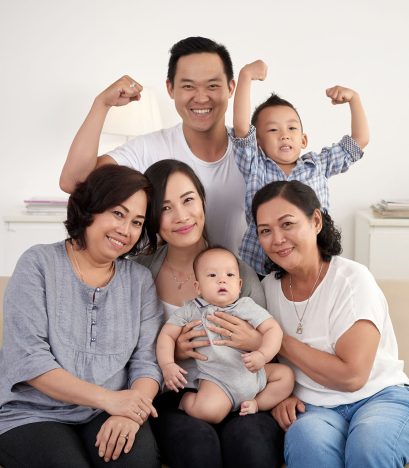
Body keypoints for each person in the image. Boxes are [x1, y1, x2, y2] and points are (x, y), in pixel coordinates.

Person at [0, 165, 163, 468]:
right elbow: (29, 360)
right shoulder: (38, 263)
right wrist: (109, 399)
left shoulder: (139, 280)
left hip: (110, 410)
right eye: (118, 213)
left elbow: (147, 362)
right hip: (32, 411)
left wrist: (131, 410)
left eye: (136, 222)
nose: (126, 230)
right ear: (90, 208)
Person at [134, 159, 285, 468]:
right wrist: (171, 353)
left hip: (243, 387)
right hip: (178, 394)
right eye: (165, 208)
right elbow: (128, 350)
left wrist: (253, 340)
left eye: (188, 200)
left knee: (251, 450)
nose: (181, 216)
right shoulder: (140, 272)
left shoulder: (236, 271)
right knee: (197, 450)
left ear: (202, 202)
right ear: (152, 218)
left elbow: (270, 344)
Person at [252, 179, 409, 468]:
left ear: (315, 221)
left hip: (378, 396)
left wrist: (279, 339)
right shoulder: (267, 290)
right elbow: (265, 363)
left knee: (369, 447)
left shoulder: (352, 280)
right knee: (306, 442)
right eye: (265, 231)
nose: (277, 239)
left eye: (287, 224)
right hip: (313, 407)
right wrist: (281, 396)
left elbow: (352, 376)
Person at [59, 36, 247, 255]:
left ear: (231, 88)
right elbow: (74, 182)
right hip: (166, 281)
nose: (201, 98)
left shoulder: (254, 150)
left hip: (244, 283)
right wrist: (102, 104)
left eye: (212, 86)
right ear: (170, 88)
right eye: (188, 86)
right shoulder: (149, 149)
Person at [231, 59, 370, 275]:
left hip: (311, 262)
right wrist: (246, 76)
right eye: (273, 130)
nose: (284, 134)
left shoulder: (318, 164)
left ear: (304, 140)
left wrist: (354, 99)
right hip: (261, 266)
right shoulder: (254, 165)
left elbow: (359, 141)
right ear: (257, 142)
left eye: (292, 128)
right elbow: (241, 127)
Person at [156, 246, 293, 423]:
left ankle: (256, 404)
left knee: (286, 377)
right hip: (217, 380)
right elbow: (166, 335)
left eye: (230, 275)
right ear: (197, 287)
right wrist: (167, 364)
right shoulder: (191, 310)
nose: (222, 280)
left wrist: (263, 354)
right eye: (212, 276)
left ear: (239, 284)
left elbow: (273, 330)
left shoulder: (246, 306)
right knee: (210, 413)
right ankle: (186, 401)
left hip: (254, 373)